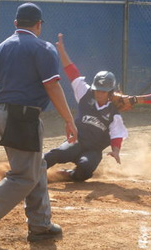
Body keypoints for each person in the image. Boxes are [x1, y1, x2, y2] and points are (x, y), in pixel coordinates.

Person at [0, 3, 78, 242]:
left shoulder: (1, 48)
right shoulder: (43, 48)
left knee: (37, 168)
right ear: (39, 25)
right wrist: (69, 119)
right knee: (24, 175)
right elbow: (52, 86)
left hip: (3, 114)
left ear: (16, 24)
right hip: (24, 117)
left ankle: (40, 225)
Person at [44, 33, 128, 182]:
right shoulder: (86, 93)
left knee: (86, 169)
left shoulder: (114, 113)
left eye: (103, 91)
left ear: (110, 92)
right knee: (57, 153)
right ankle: (30, 173)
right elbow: (72, 72)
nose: (99, 93)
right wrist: (62, 51)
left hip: (93, 150)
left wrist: (115, 151)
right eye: (97, 89)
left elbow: (117, 135)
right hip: (77, 141)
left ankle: (69, 174)